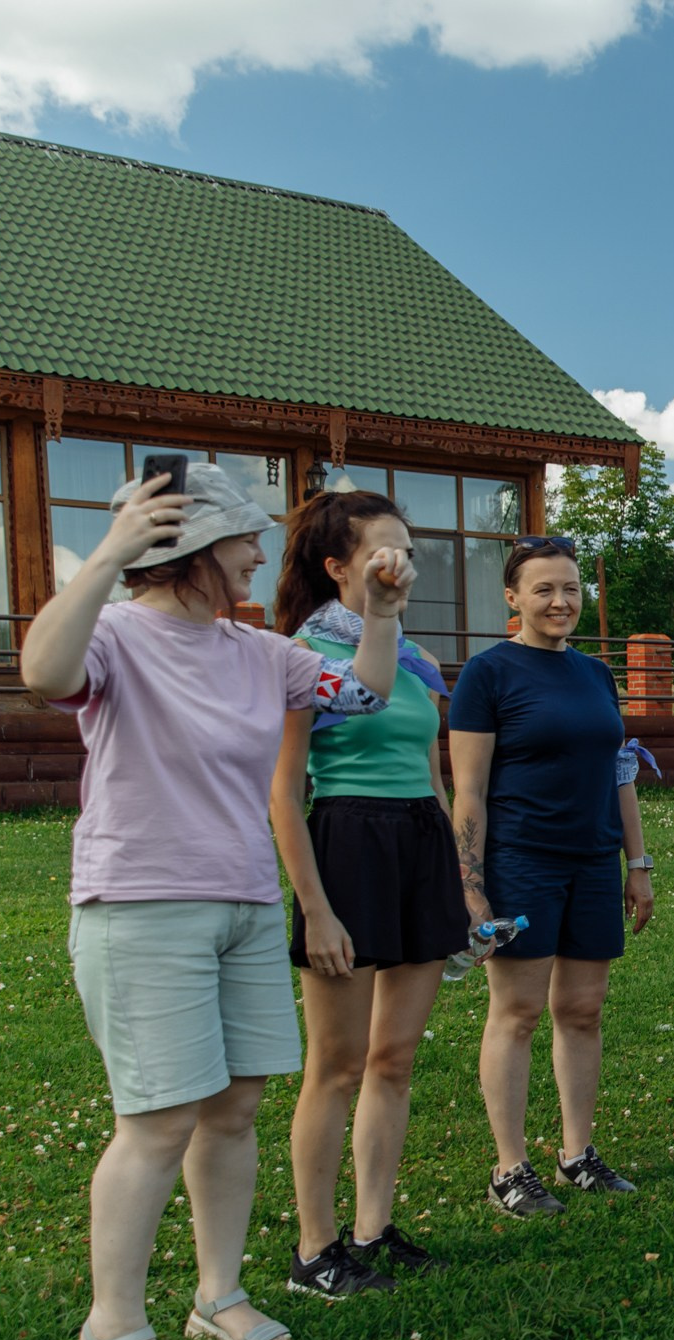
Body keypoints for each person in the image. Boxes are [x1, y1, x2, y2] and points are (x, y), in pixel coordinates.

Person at [20, 464, 413, 1340]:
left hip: (240, 901)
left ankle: (219, 1296)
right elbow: (43, 673)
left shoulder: (258, 653)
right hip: (142, 904)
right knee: (157, 1121)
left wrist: (382, 611)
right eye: (243, 539)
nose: (257, 554)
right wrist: (110, 553)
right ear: (193, 548)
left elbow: (361, 695)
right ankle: (110, 1330)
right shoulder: (115, 635)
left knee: (234, 1107)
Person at [268, 487, 463, 1297]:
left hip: (419, 843)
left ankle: (373, 1230)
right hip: (347, 843)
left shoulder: (411, 658)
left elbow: (432, 774)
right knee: (338, 1064)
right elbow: (284, 793)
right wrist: (315, 906)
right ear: (338, 565)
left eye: (409, 552)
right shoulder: (301, 655)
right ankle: (316, 1250)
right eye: (385, 551)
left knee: (395, 1058)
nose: (402, 565)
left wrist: (463, 882)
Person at [448, 537, 654, 1219]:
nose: (561, 600)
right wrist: (472, 885)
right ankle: (509, 1167)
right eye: (544, 589)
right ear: (513, 598)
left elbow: (618, 772)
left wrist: (638, 861)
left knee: (583, 1010)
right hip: (521, 860)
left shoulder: (596, 674)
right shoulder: (488, 673)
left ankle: (578, 1155)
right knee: (518, 1011)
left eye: (569, 588)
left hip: (594, 860)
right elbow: (469, 790)